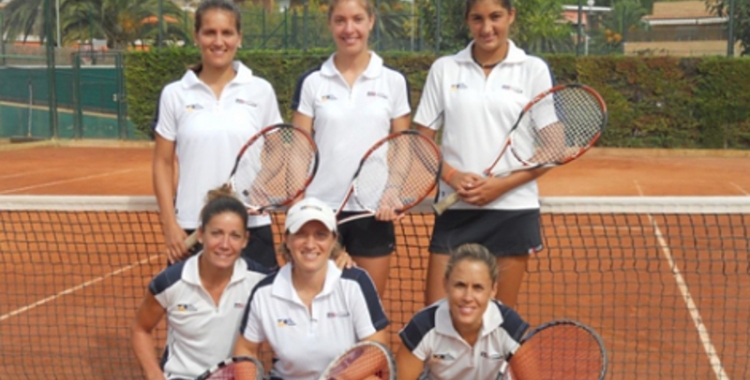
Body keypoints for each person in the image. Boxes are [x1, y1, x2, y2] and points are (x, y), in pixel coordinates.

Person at [415, 0, 554, 308]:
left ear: (511, 16)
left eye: (495, 17)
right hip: (456, 211)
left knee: (498, 321)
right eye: (477, 19)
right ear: (467, 21)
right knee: (436, 319)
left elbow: (552, 146)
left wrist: (501, 185)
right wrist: (452, 175)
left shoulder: (533, 70)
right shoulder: (445, 69)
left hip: (512, 210)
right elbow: (421, 142)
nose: (487, 27)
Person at [290, 0, 412, 296]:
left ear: (371, 21)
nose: (349, 29)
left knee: (367, 304)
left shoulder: (393, 81)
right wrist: (300, 203)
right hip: (320, 212)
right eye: (340, 20)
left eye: (357, 19)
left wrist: (393, 189)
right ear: (331, 24)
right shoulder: (312, 82)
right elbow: (298, 147)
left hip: (373, 213)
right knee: (315, 302)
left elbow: (403, 145)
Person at [152, 0, 282, 269]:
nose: (218, 41)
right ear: (197, 36)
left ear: (239, 38)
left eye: (227, 33)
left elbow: (278, 150)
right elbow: (163, 163)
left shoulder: (261, 90)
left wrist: (260, 184)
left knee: (259, 310)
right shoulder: (174, 94)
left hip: (251, 227)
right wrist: (170, 225)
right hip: (192, 226)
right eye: (210, 32)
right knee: (188, 310)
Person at [233, 197, 389, 380]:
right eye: (300, 234)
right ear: (287, 240)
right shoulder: (264, 292)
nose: (310, 244)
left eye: (320, 235)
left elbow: (376, 350)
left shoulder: (355, 282)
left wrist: (337, 379)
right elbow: (245, 350)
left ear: (333, 241)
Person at [132, 190, 269, 380]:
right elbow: (141, 329)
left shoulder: (261, 281)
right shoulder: (170, 282)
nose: (224, 244)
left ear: (245, 240)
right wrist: (154, 374)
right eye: (216, 233)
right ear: (201, 234)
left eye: (235, 236)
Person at [397, 243, 530, 380]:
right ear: (446, 285)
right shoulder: (422, 327)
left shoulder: (510, 327)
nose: (467, 297)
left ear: (493, 290)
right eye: (460, 285)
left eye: (478, 287)